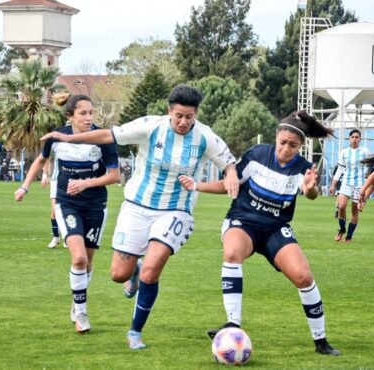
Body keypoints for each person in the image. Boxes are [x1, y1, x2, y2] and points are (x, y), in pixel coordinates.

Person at [40, 84, 239, 349]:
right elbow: (107, 136)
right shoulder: (150, 126)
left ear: (196, 114)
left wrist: (233, 174)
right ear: (169, 111)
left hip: (176, 211)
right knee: (118, 274)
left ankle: (135, 332)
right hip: (136, 206)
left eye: (189, 117)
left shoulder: (205, 137)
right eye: (178, 115)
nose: (183, 122)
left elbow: (229, 163)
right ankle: (132, 272)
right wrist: (65, 138)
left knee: (151, 268)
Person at [179, 111, 341, 356]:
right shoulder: (256, 155)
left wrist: (310, 189)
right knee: (232, 252)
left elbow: (310, 193)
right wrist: (197, 185)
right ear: (275, 138)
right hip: (242, 221)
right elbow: (230, 185)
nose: (286, 148)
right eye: (282, 142)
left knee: (304, 277)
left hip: (276, 228)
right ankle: (233, 324)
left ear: (301, 146)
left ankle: (321, 341)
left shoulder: (304, 168)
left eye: (293, 145)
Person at [15, 94, 120, 333]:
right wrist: (24, 186)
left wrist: (86, 183)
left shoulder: (103, 139)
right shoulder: (57, 138)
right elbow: (40, 161)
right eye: (83, 113)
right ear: (69, 115)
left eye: (91, 113)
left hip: (95, 205)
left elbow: (114, 177)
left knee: (89, 262)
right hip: (67, 203)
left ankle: (77, 300)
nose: (89, 117)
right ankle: (82, 313)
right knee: (79, 258)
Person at [329, 129, 370, 243]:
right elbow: (340, 169)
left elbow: (370, 167)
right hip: (346, 182)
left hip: (360, 185)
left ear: (360, 139)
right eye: (352, 137)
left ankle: (349, 236)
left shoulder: (365, 151)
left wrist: (367, 185)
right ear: (349, 139)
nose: (354, 139)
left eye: (357, 137)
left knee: (354, 211)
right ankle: (342, 230)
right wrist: (333, 185)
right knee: (341, 206)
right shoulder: (344, 152)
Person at [41, 156, 65, 248]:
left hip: (70, 180)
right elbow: (46, 156)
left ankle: (67, 237)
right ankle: (56, 237)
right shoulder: (56, 143)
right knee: (55, 211)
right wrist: (44, 175)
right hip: (55, 181)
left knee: (68, 210)